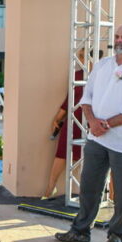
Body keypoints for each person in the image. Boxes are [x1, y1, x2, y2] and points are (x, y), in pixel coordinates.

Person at [55, 26, 122, 242]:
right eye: (117, 36)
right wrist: (92, 121)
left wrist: (105, 124)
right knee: (89, 186)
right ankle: (80, 230)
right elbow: (86, 97)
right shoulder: (102, 65)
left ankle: (116, 235)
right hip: (97, 139)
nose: (119, 40)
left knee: (121, 191)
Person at [42, 48, 90, 200]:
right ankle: (50, 187)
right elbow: (70, 99)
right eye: (80, 56)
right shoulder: (76, 75)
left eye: (85, 56)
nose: (82, 59)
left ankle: (100, 195)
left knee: (93, 157)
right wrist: (58, 117)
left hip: (92, 121)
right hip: (74, 119)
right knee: (62, 152)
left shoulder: (101, 75)